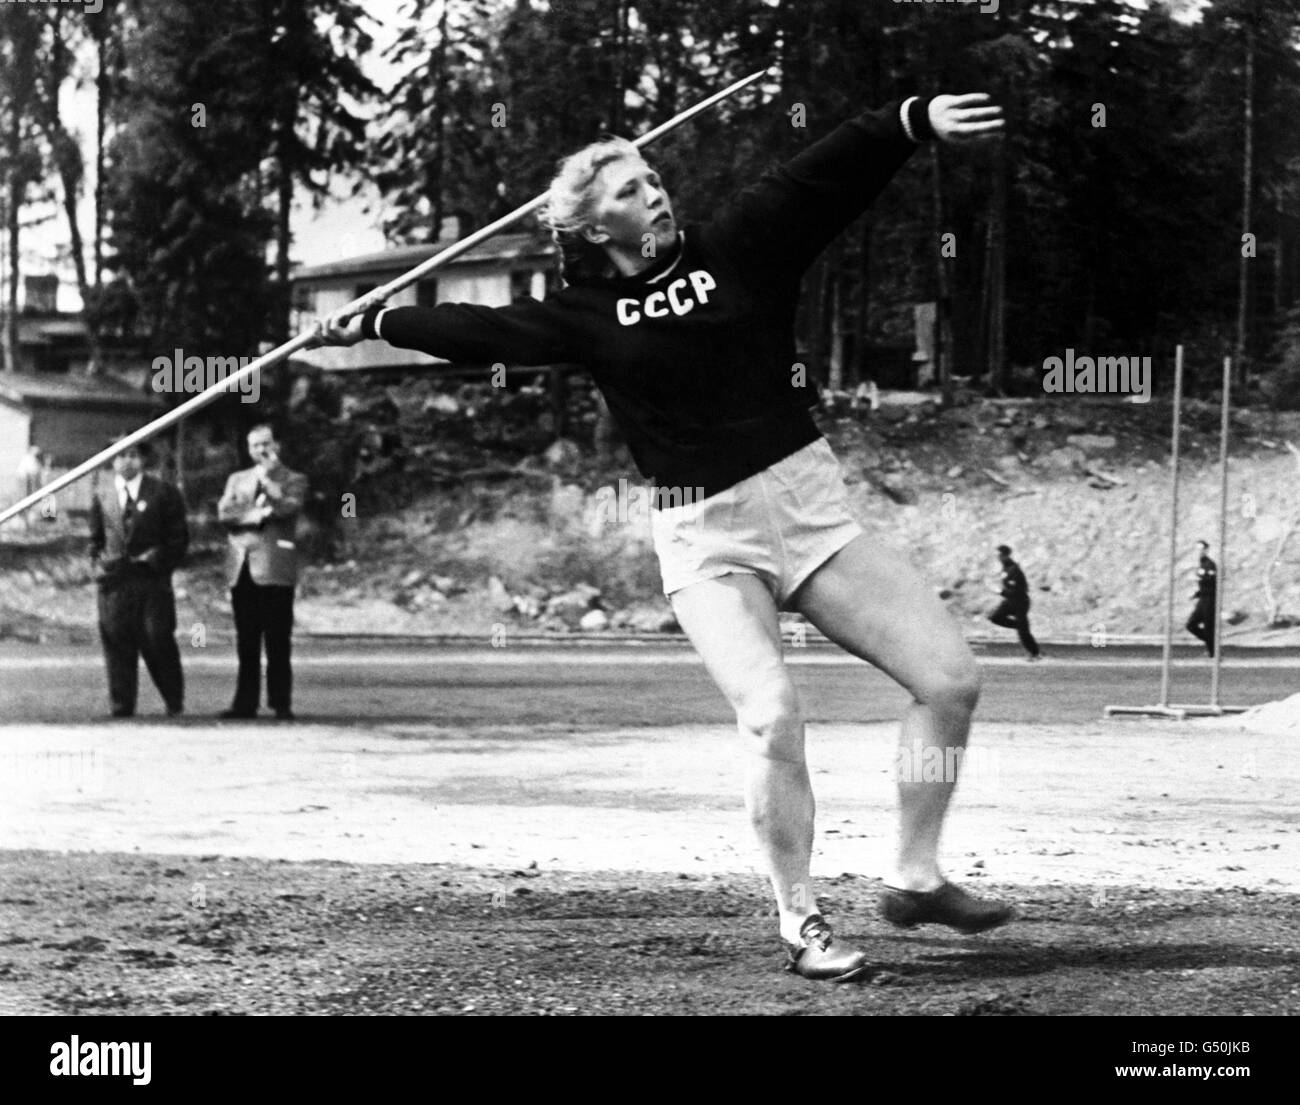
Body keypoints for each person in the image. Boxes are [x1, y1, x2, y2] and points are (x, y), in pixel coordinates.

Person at [316, 92, 1011, 982]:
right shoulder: (583, 310)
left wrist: (910, 122)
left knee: (949, 679)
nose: (654, 194)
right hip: (707, 538)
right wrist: (375, 319)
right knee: (771, 714)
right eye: (628, 191)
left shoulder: (740, 247)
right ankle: (802, 921)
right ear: (591, 226)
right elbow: (477, 330)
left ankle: (916, 873)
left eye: (653, 178)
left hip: (809, 507)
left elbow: (824, 174)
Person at [88, 440, 188, 718]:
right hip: (114, 582)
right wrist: (98, 567)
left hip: (151, 581)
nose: (126, 461)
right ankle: (122, 706)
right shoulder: (102, 493)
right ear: (112, 461)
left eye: (132, 455)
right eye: (120, 456)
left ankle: (174, 700)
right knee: (117, 640)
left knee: (157, 638)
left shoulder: (164, 492)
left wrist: (159, 559)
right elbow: (95, 540)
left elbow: (179, 540)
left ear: (142, 459)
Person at [217, 423, 308, 721]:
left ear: (276, 445)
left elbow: (288, 509)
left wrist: (271, 485)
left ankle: (281, 703)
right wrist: (257, 514)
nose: (261, 450)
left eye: (266, 444)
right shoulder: (237, 478)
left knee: (278, 639)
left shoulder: (294, 479)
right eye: (255, 445)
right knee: (247, 640)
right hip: (242, 566)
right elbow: (224, 513)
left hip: (275, 567)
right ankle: (245, 703)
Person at [988, 545, 1042, 660]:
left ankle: (1035, 653)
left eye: (1000, 555)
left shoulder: (1014, 569)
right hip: (1010, 601)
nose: (998, 558)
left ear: (1006, 555)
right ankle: (1020, 626)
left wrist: (999, 591)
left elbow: (1017, 591)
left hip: (1020, 602)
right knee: (994, 617)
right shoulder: (1005, 568)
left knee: (1023, 631)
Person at [1186, 540, 1217, 657]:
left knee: (1209, 627)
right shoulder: (1202, 564)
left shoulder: (1210, 564)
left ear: (1206, 550)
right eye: (1197, 549)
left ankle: (1212, 652)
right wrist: (1196, 594)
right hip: (1203, 599)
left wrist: (1198, 579)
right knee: (1191, 625)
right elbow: (1205, 585)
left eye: (1201, 549)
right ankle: (1212, 645)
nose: (1198, 551)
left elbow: (1212, 582)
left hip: (1210, 600)